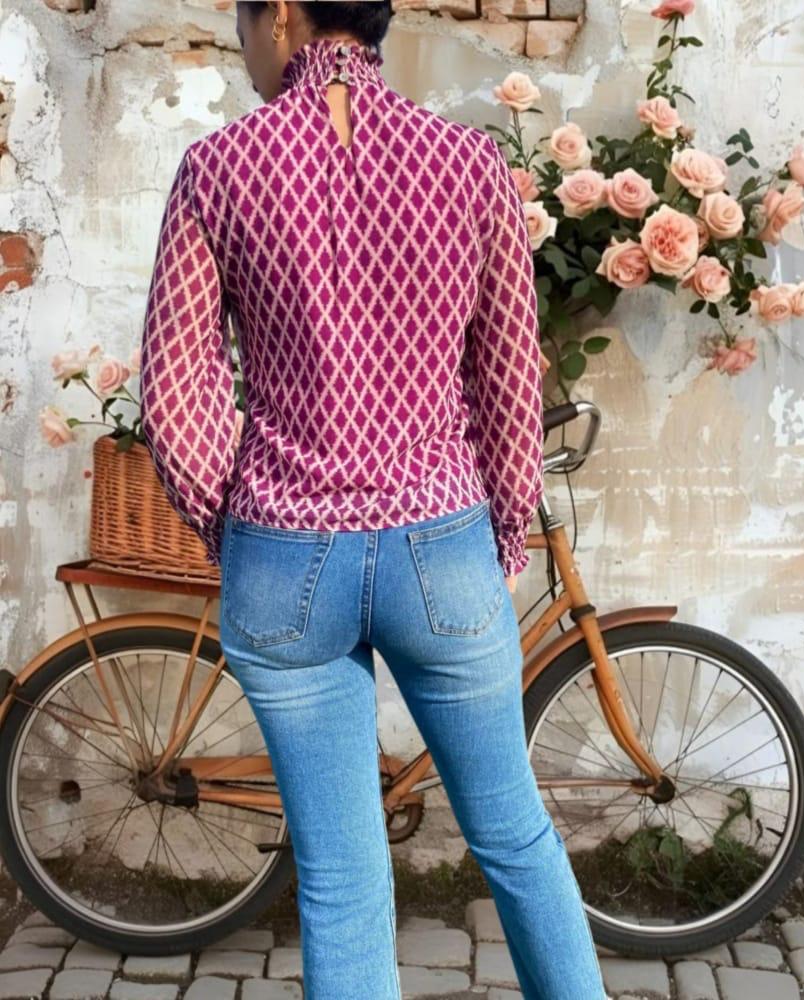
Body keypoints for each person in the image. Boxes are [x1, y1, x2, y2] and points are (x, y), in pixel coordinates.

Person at [139, 2, 607, 997]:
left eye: (243, 18)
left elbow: (177, 390)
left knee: (341, 877)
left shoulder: (220, 168)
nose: (242, 42)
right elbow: (507, 378)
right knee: (514, 835)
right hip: (440, 544)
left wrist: (237, 529)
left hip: (284, 546)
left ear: (283, 16)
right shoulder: (468, 162)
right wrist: (505, 534)